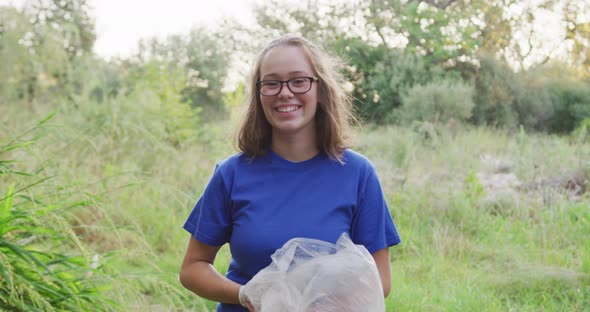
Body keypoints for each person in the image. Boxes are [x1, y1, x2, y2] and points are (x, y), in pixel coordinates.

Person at [179, 34, 401, 312]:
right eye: (271, 83)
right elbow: (192, 268)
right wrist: (246, 295)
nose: (285, 92)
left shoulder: (358, 174)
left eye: (299, 80)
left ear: (320, 90)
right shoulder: (231, 174)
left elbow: (380, 280)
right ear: (259, 94)